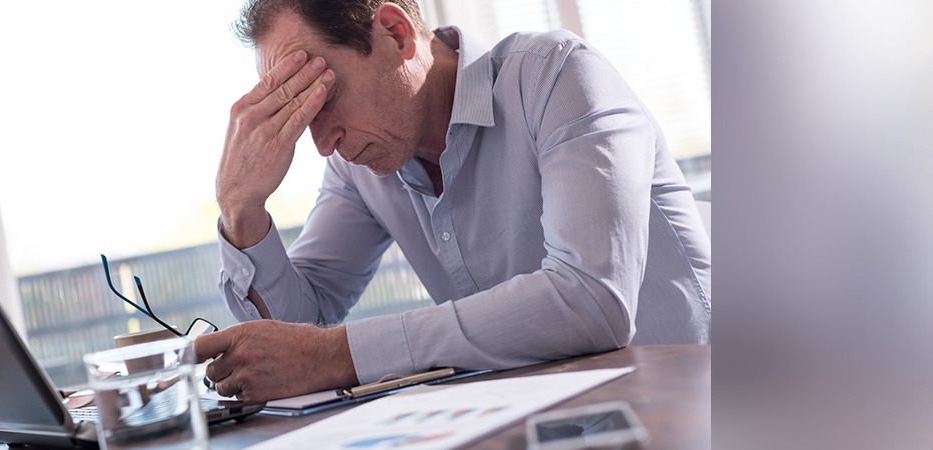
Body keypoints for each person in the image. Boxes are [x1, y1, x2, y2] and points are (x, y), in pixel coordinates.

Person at [194, 0, 711, 402]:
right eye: (296, 112)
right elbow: (299, 331)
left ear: (395, 34)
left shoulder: (557, 76)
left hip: (690, 411)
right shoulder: (359, 168)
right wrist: (242, 209)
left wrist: (340, 355)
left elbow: (591, 300)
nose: (322, 142)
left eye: (321, 96)